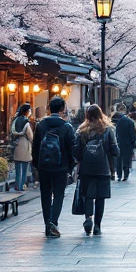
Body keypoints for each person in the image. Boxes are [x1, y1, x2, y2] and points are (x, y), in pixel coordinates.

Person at [32, 96, 77, 238]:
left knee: (45, 195)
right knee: (58, 195)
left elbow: (35, 146)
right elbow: (72, 149)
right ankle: (53, 222)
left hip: (43, 166)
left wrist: (36, 164)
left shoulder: (41, 125)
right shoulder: (67, 127)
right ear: (62, 108)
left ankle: (47, 224)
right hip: (61, 166)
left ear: (49, 108)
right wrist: (71, 166)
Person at [75, 105, 119, 236]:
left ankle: (88, 219)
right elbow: (115, 151)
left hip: (86, 168)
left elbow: (76, 151)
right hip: (103, 167)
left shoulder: (81, 130)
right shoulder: (107, 130)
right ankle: (98, 225)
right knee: (100, 197)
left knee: (88, 195)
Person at [10, 103, 33, 192]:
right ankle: (21, 186)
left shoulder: (15, 120)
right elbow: (30, 136)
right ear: (27, 111)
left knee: (17, 168)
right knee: (24, 168)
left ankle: (16, 184)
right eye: (29, 110)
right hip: (24, 144)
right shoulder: (26, 122)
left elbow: (11, 132)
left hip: (16, 144)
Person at [112, 104, 136, 181]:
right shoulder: (129, 121)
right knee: (126, 160)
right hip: (127, 143)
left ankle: (118, 174)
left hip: (116, 142)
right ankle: (125, 174)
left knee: (118, 160)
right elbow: (132, 134)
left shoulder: (111, 120)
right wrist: (134, 144)